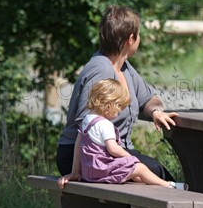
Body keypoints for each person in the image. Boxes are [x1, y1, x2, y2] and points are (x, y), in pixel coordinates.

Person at [56, 5, 179, 208]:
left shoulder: (123, 68)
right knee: (155, 173)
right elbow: (85, 125)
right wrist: (115, 157)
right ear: (130, 39)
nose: (139, 40)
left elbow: (148, 99)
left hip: (108, 152)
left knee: (157, 172)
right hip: (83, 154)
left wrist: (155, 112)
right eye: (139, 35)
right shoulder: (100, 69)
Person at [57, 79, 187, 190]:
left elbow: (79, 144)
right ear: (108, 105)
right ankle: (169, 185)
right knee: (140, 167)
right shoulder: (104, 125)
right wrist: (130, 157)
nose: (119, 112)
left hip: (89, 171)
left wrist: (76, 171)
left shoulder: (87, 119)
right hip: (102, 171)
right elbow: (113, 149)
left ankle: (155, 186)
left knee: (135, 174)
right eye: (119, 107)